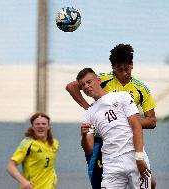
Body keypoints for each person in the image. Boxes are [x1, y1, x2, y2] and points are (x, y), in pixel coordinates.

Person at [66, 43, 156, 189]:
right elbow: (72, 86)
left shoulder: (140, 89)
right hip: (103, 144)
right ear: (113, 68)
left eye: (126, 68)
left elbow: (151, 121)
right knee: (98, 182)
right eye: (119, 70)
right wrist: (88, 108)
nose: (123, 73)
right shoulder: (102, 79)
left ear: (131, 65)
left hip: (129, 142)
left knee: (151, 183)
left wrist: (124, 120)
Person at [77, 67, 152, 189]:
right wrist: (84, 135)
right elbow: (89, 149)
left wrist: (139, 157)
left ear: (98, 80)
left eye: (88, 82)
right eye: (82, 85)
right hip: (111, 165)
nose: (86, 86)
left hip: (134, 158)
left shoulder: (122, 97)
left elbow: (136, 127)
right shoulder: (88, 113)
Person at [6, 112, 59, 189]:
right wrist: (23, 181)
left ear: (48, 127)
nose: (40, 126)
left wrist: (54, 179)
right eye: (37, 124)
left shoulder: (54, 143)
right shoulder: (28, 143)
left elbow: (48, 164)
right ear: (32, 127)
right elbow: (10, 167)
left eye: (43, 124)